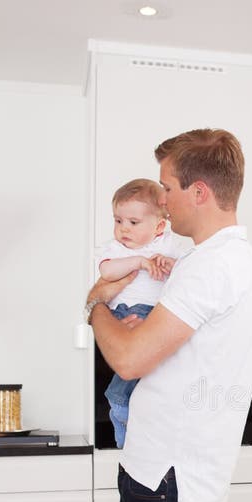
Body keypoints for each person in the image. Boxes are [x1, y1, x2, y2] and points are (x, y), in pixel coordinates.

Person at [84, 129, 252, 502]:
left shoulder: (212, 266)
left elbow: (128, 360)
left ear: (198, 192)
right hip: (165, 473)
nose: (161, 200)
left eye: (167, 188)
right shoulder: (215, 260)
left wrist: (95, 305)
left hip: (166, 479)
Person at [97, 178, 188, 448]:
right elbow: (106, 272)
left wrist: (169, 264)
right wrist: (138, 261)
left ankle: (128, 423)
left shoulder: (169, 244)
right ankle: (127, 437)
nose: (123, 229)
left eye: (133, 223)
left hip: (152, 315)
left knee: (135, 389)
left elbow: (186, 274)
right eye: (118, 220)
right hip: (120, 316)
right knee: (127, 386)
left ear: (159, 225)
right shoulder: (117, 249)